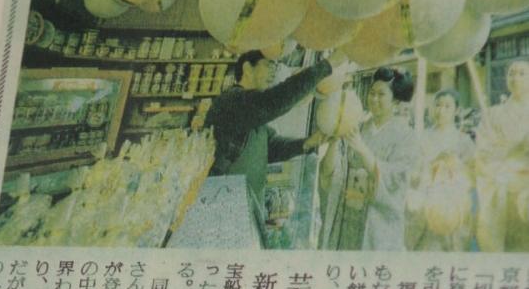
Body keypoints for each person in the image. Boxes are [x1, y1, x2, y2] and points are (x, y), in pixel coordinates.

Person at [169, 50, 335, 248]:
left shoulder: (252, 112)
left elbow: (270, 147)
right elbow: (275, 101)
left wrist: (306, 143)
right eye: (268, 65)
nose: (273, 72)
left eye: (275, 67)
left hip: (244, 208)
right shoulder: (232, 101)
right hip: (222, 206)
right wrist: (327, 65)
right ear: (247, 68)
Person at [319, 66, 417, 250]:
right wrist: (334, 140)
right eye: (372, 93)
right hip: (348, 216)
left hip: (377, 224)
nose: (374, 99)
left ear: (395, 100)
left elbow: (397, 179)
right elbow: (333, 173)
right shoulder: (358, 128)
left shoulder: (406, 136)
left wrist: (363, 150)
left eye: (381, 94)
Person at [405, 89, 475, 252]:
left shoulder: (463, 141)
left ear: (456, 110)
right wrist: (434, 163)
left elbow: (472, 174)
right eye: (438, 105)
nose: (441, 110)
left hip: (454, 203)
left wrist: (455, 165)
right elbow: (412, 171)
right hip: (426, 202)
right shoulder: (422, 138)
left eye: (447, 106)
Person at [475, 58, 529, 251]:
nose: (516, 78)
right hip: (502, 187)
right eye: (511, 73)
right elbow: (483, 152)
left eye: (522, 73)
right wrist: (515, 150)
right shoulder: (493, 114)